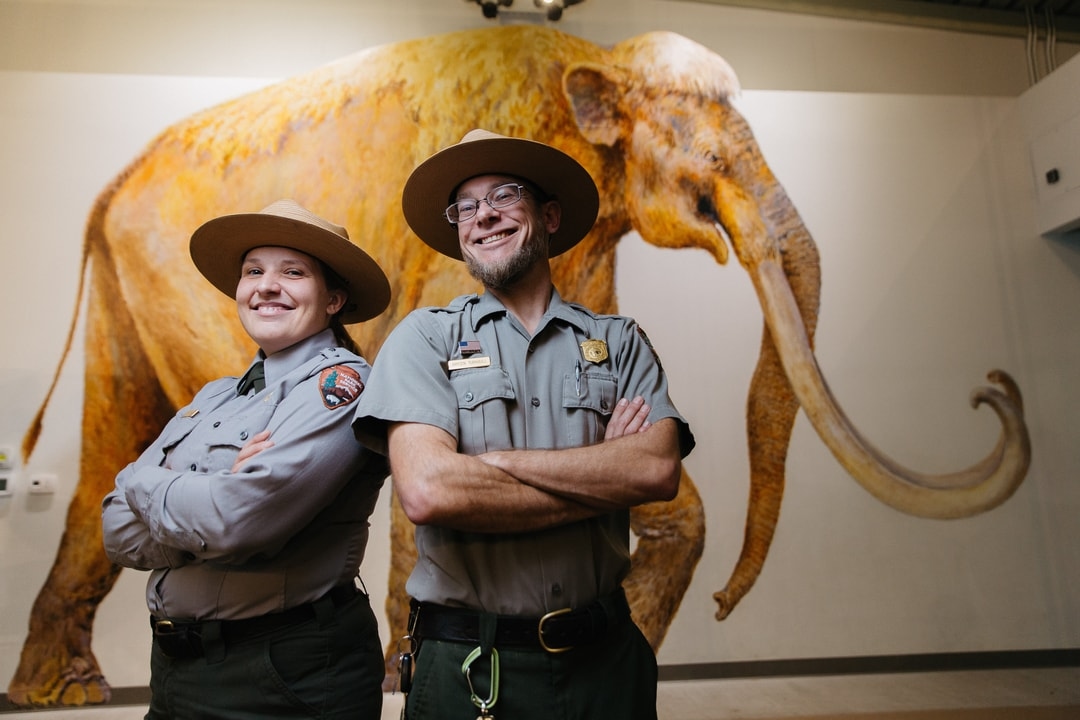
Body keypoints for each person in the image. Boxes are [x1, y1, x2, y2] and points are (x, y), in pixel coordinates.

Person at [352, 129, 696, 720]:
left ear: (550, 215)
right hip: (468, 667)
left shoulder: (619, 341)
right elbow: (430, 490)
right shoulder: (423, 338)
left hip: (606, 665)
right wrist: (602, 476)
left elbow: (656, 470)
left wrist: (495, 464)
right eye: (465, 206)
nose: (483, 215)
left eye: (504, 194)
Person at [102, 199, 392, 719]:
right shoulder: (214, 397)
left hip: (281, 673)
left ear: (333, 300)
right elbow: (114, 531)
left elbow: (237, 521)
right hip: (175, 673)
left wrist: (139, 480)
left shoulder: (341, 387)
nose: (266, 285)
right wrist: (213, 492)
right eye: (253, 271)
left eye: (293, 272)